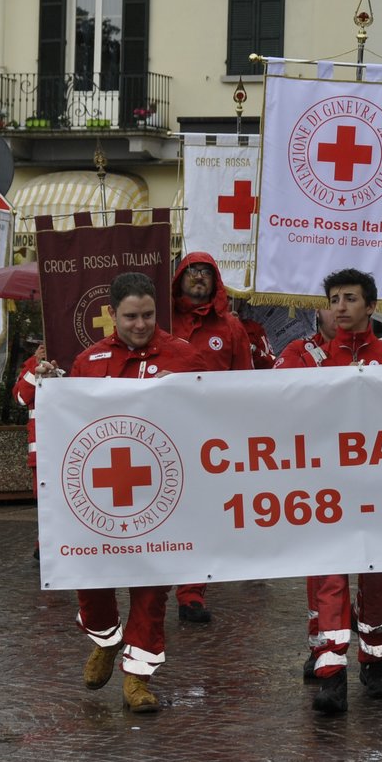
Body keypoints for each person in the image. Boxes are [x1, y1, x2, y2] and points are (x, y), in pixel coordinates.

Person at [68, 271, 207, 713]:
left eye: (148, 315)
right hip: (100, 494)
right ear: (112, 314)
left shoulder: (185, 357)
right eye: (130, 316)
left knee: (151, 587)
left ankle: (137, 678)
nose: (141, 324)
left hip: (163, 491)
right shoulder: (87, 362)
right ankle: (107, 640)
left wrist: (182, 391)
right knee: (92, 576)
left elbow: (210, 413)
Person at [291, 268, 382, 714]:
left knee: (376, 582)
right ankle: (331, 674)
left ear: (371, 306)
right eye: (334, 298)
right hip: (323, 490)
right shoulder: (303, 356)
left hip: (378, 491)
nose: (340, 306)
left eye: (350, 298)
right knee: (328, 578)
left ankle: (374, 664)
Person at [167, 252, 253, 623]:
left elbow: (244, 381)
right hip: (165, 429)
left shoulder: (231, 327)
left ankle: (191, 593)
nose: (199, 278)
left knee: (201, 512)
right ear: (178, 278)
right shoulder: (160, 320)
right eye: (192, 272)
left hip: (210, 436)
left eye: (206, 272)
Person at [12, 337, 62, 558]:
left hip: (66, 446)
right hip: (40, 449)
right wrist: (36, 368)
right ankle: (45, 545)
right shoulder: (30, 368)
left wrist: (56, 372)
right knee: (44, 499)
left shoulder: (72, 362)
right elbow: (22, 397)